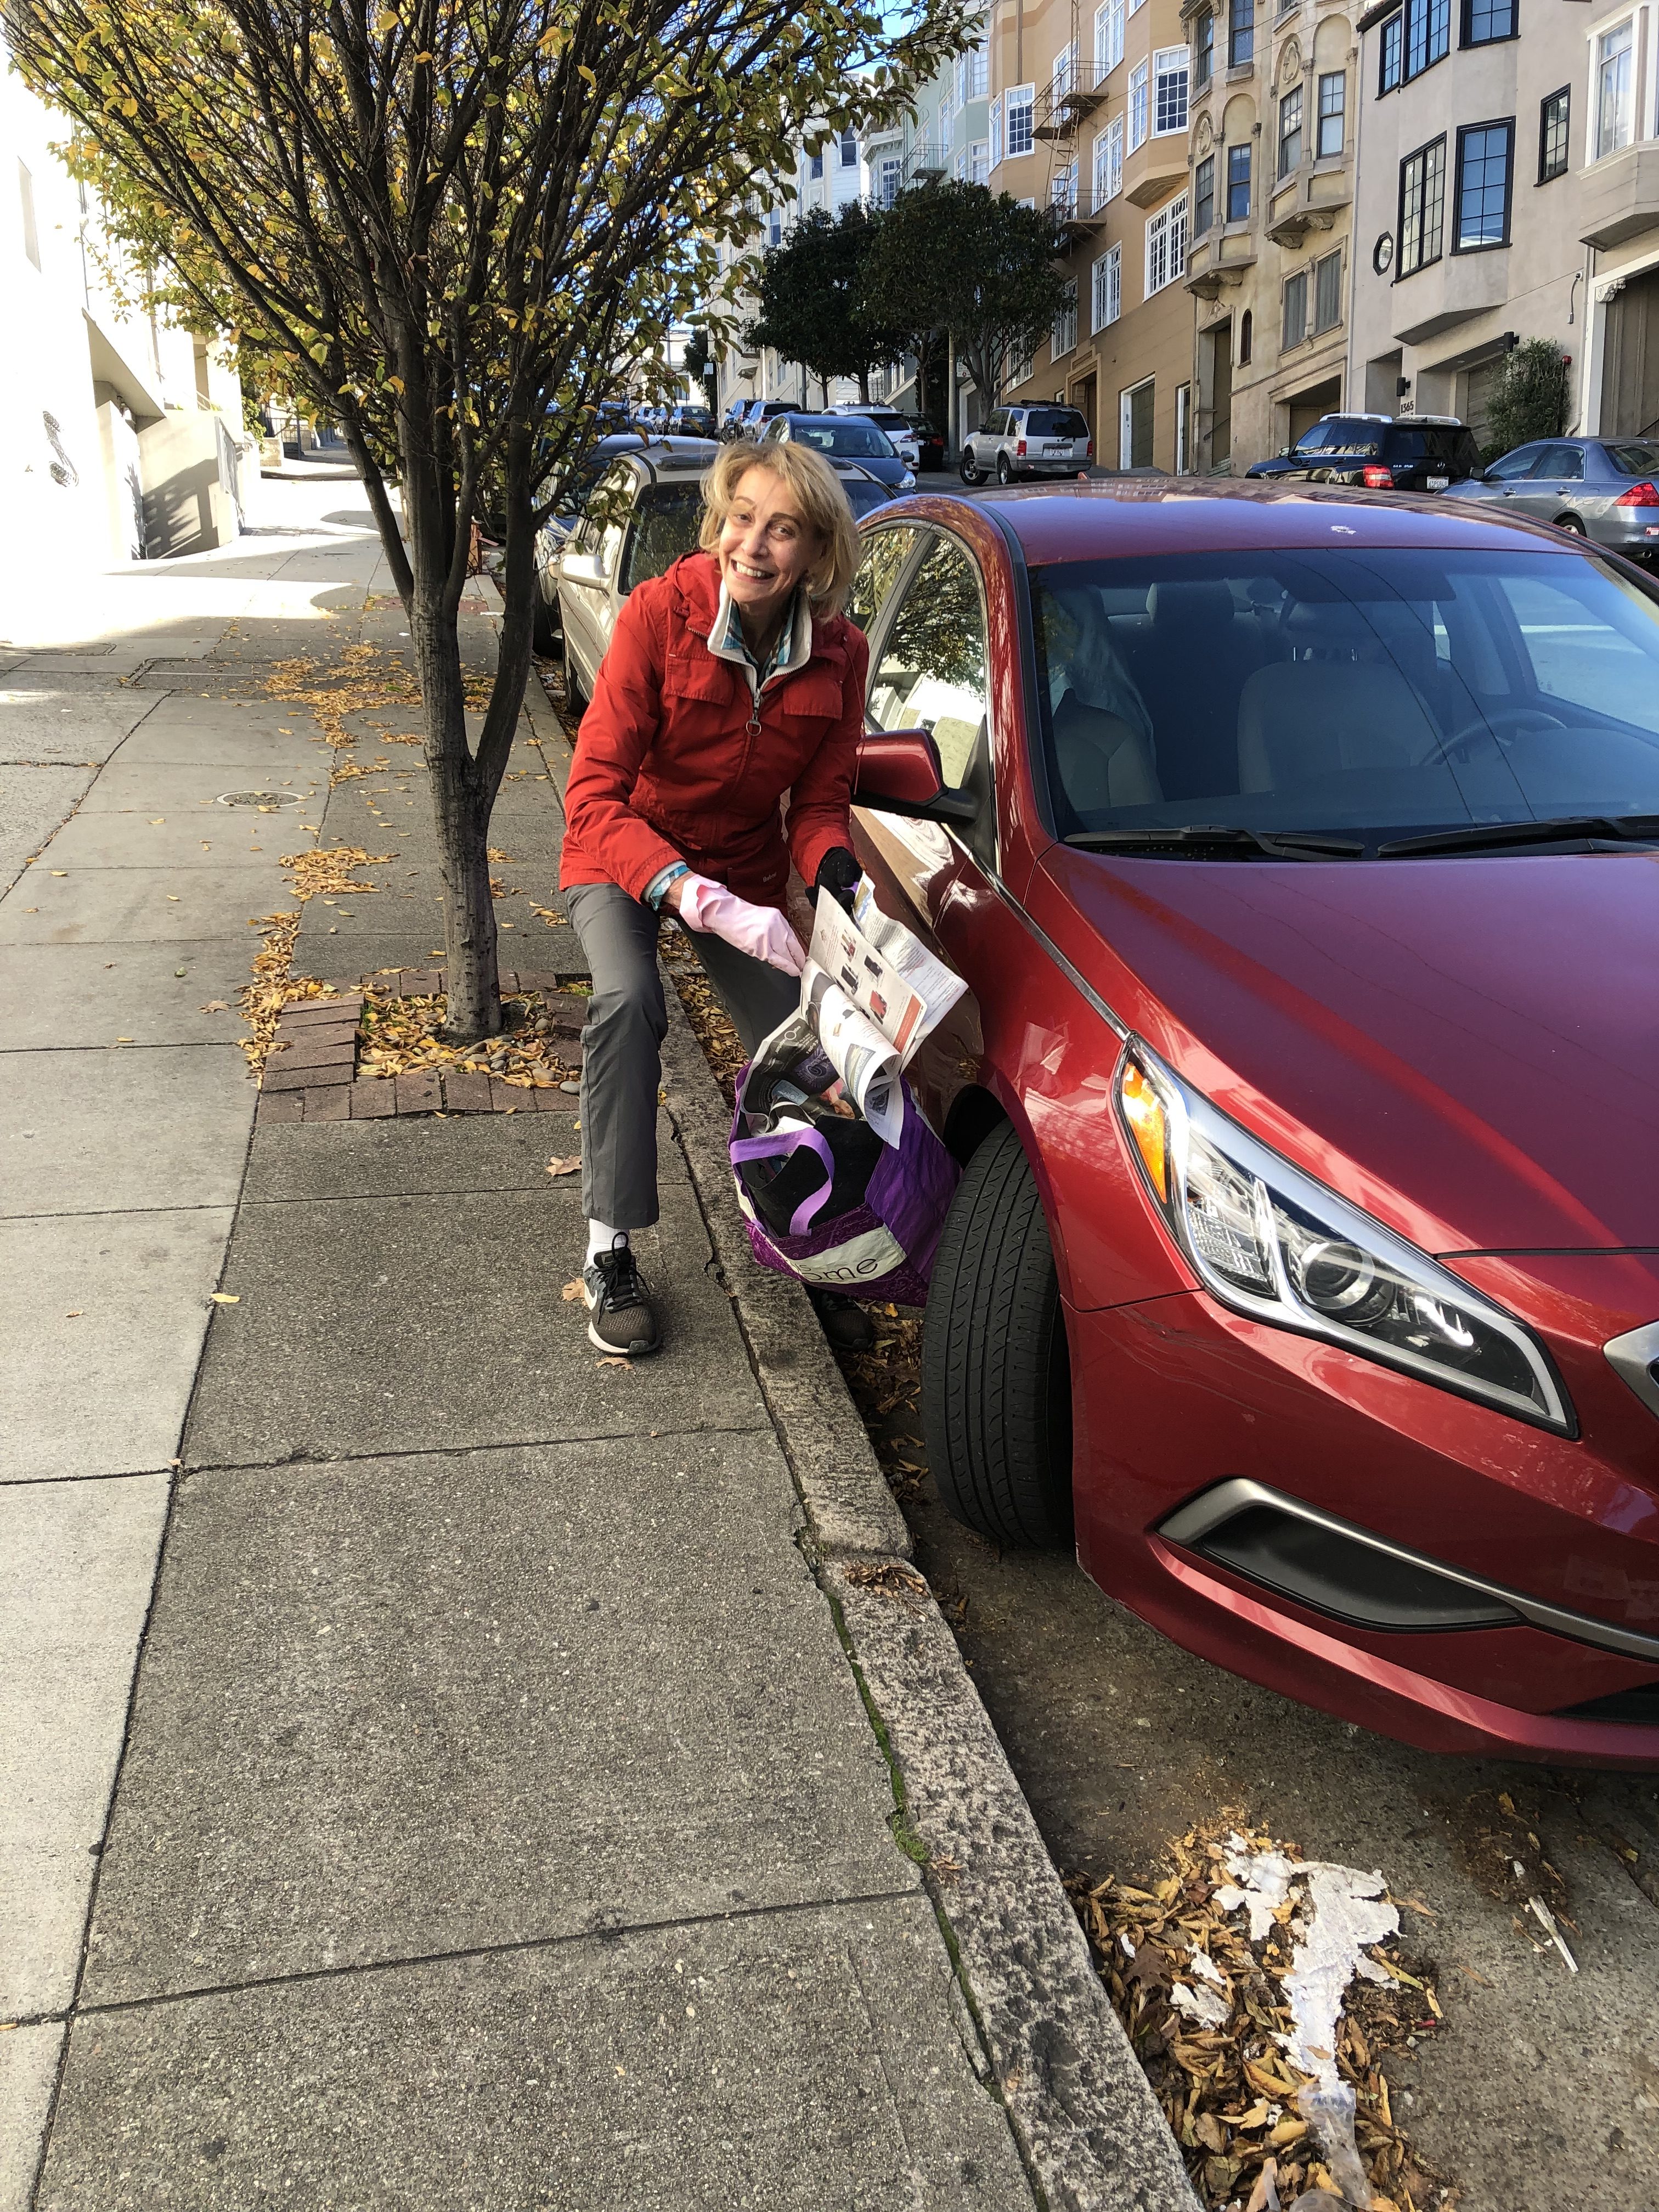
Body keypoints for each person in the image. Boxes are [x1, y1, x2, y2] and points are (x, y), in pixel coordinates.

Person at [560, 437, 873, 1358]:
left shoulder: (840, 654)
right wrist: (687, 892)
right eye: (743, 519)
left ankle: (803, 1242)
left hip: (739, 863)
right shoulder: (660, 614)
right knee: (628, 1002)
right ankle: (609, 1250)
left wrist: (833, 870)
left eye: (783, 530)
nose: (754, 545)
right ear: (720, 522)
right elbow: (593, 793)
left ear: (817, 552)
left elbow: (819, 806)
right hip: (623, 848)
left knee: (797, 1045)